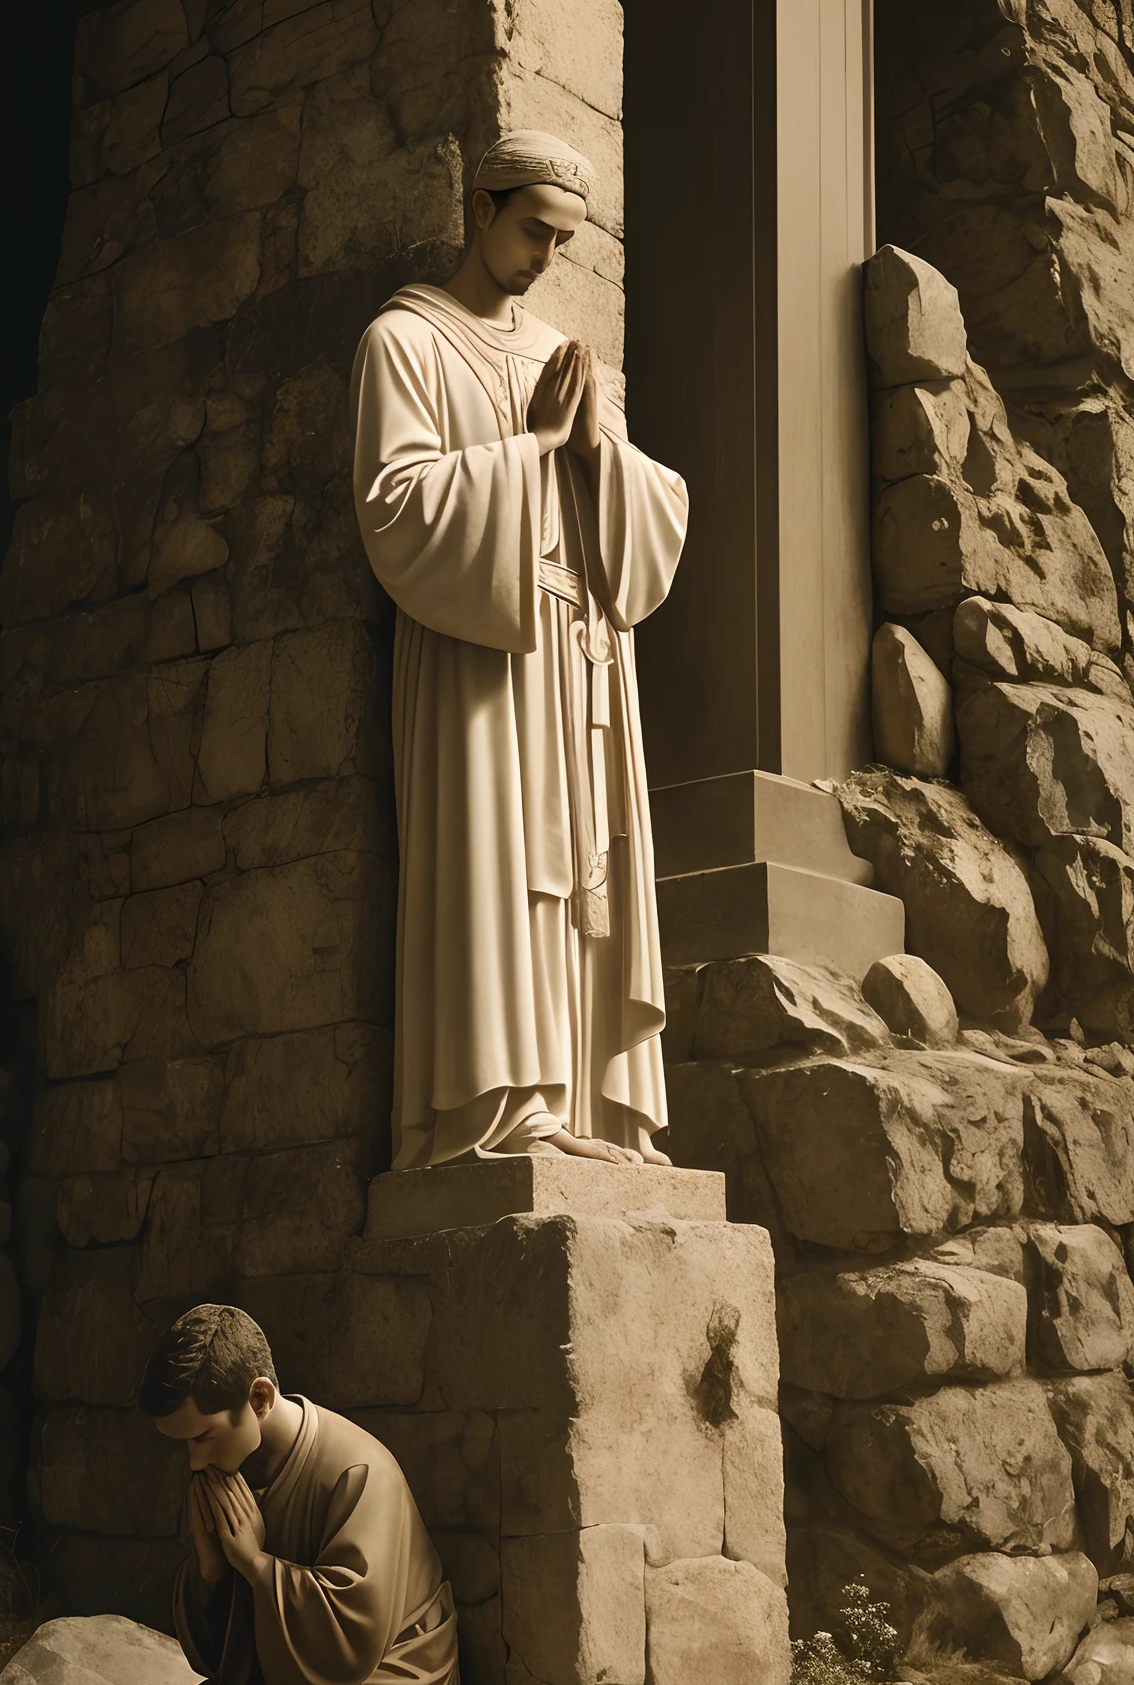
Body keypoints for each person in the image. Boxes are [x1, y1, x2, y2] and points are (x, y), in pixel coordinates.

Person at [351, 130, 690, 1172]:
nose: (549, 256)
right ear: (480, 209)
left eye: (566, 240)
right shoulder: (404, 343)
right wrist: (533, 448)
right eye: (535, 230)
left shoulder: (564, 357)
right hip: (478, 649)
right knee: (496, 864)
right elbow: (395, 508)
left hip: (578, 650)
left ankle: (584, 1098)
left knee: (585, 881)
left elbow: (656, 511)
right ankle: (499, 1106)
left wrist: (591, 447)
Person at [102, 1302, 550, 1685]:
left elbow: (352, 1639)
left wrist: (258, 1567)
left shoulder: (358, 1470)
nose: (194, 1460)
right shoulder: (228, 1466)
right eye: (183, 1444)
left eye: (203, 1437)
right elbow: (224, 1662)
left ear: (260, 1399)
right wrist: (212, 1573)